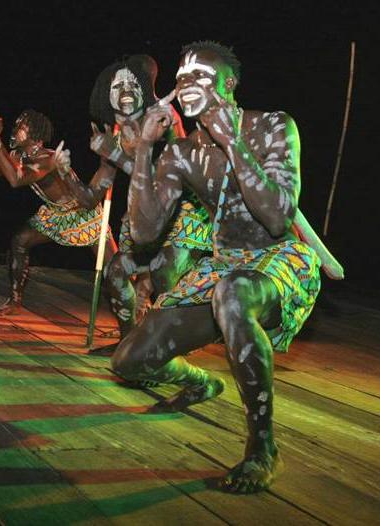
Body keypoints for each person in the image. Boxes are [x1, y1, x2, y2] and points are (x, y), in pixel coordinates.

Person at [112, 42, 322, 493]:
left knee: (233, 293)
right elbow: (144, 232)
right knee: (130, 361)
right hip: (223, 266)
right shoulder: (182, 153)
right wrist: (145, 147)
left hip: (279, 261)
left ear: (229, 85)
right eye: (181, 77)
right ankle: (202, 383)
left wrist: (233, 141)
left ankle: (263, 447)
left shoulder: (274, 126)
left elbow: (277, 218)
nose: (187, 83)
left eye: (200, 76)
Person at [62, 55, 212, 349]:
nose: (126, 90)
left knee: (164, 272)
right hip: (145, 216)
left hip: (183, 212)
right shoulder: (116, 135)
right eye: (117, 85)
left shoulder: (164, 118)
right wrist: (65, 173)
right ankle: (129, 343)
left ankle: (170, 348)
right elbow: (90, 198)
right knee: (115, 271)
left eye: (133, 82)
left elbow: (174, 177)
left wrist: (116, 155)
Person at [0, 107, 116, 316]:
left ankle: (138, 307)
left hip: (83, 215)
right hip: (56, 215)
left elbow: (16, 180)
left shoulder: (48, 159)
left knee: (115, 272)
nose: (15, 129)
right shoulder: (17, 156)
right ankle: (15, 301)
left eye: (21, 126)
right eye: (16, 125)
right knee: (20, 240)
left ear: (35, 135)